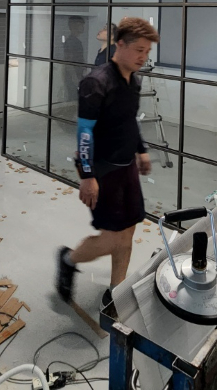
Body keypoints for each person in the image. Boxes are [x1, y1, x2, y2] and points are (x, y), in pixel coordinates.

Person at [56, 17, 158, 307]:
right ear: (120, 45)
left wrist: (141, 150)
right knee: (112, 239)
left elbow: (128, 121)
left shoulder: (133, 81)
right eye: (138, 50)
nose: (143, 57)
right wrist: (87, 176)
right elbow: (84, 133)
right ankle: (68, 259)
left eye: (147, 52)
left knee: (128, 233)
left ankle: (115, 290)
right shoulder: (96, 82)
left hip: (127, 168)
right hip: (102, 170)